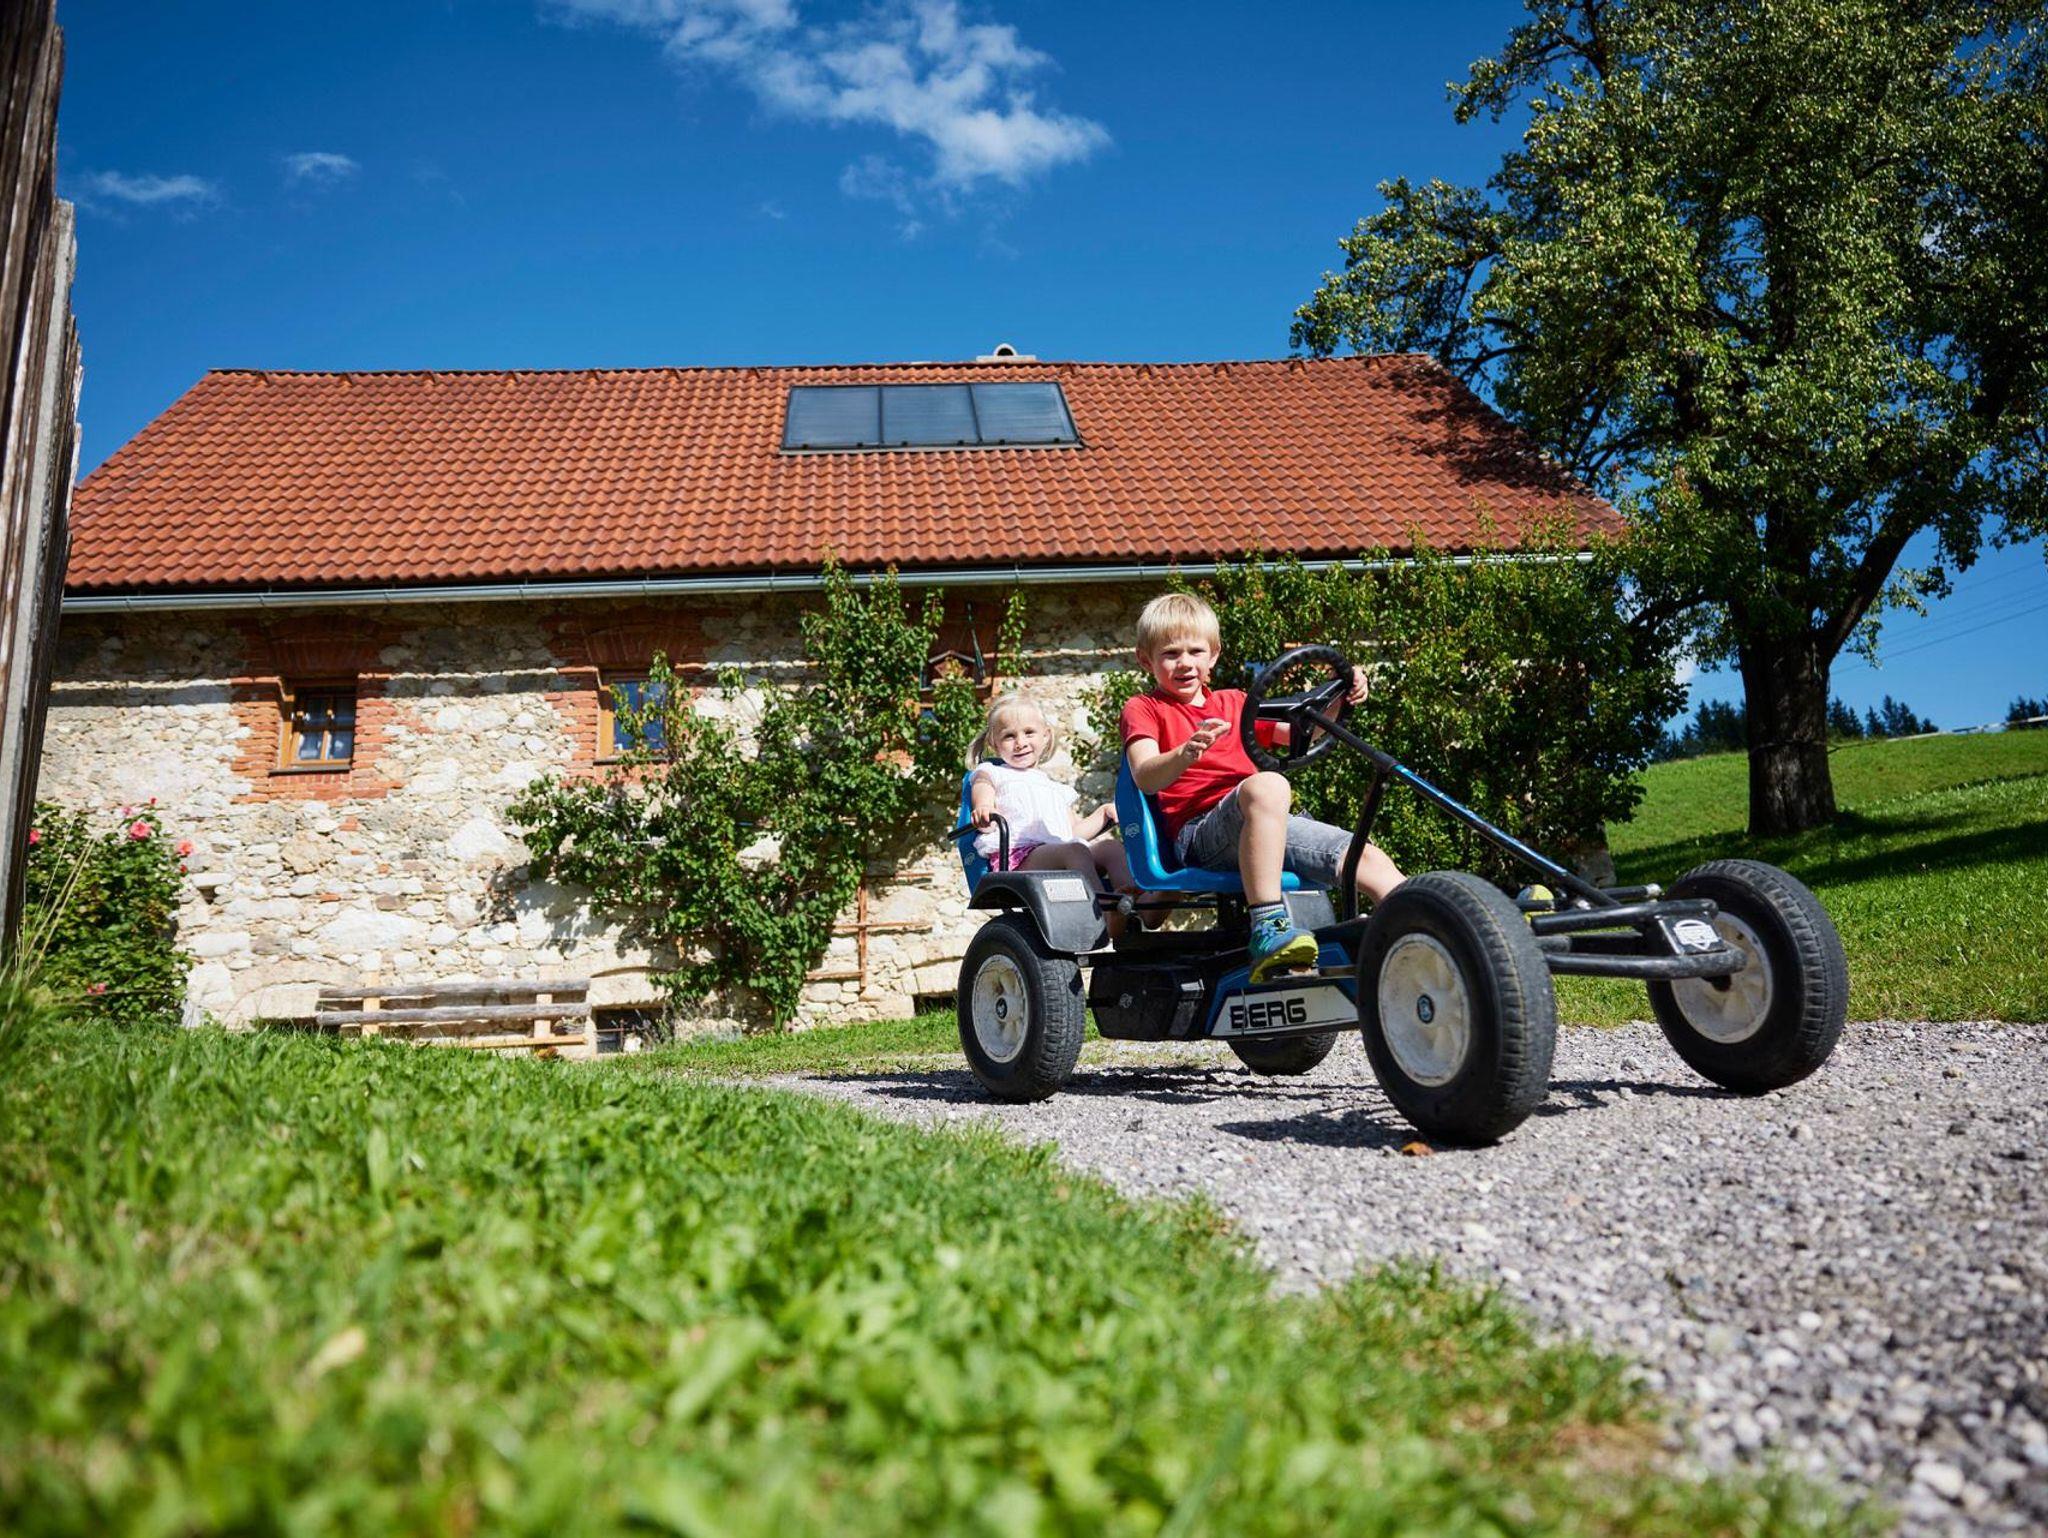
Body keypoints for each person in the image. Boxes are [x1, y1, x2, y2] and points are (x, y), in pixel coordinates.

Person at [1120, 592, 1405, 981]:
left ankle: (1427, 929)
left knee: (1364, 857)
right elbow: (1145, 775)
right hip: (1200, 834)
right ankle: (1268, 926)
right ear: (1145, 660)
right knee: (1268, 786)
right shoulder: (1144, 708)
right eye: (1170, 654)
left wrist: (1341, 695)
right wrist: (1186, 753)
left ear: (1213, 656)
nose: (1185, 662)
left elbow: (1301, 733)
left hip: (1258, 819)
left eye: (1195, 651)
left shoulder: (1235, 703)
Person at [967, 693, 1136, 933]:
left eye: (1029, 732)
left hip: (1061, 853)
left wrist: (1103, 813)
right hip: (1020, 859)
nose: (1020, 742)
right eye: (1009, 736)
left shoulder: (1054, 788)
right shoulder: (991, 773)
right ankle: (1107, 913)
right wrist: (984, 810)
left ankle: (1138, 904)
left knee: (1111, 848)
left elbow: (1073, 833)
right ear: (994, 743)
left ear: (1045, 736)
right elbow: (983, 801)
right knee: (1075, 851)